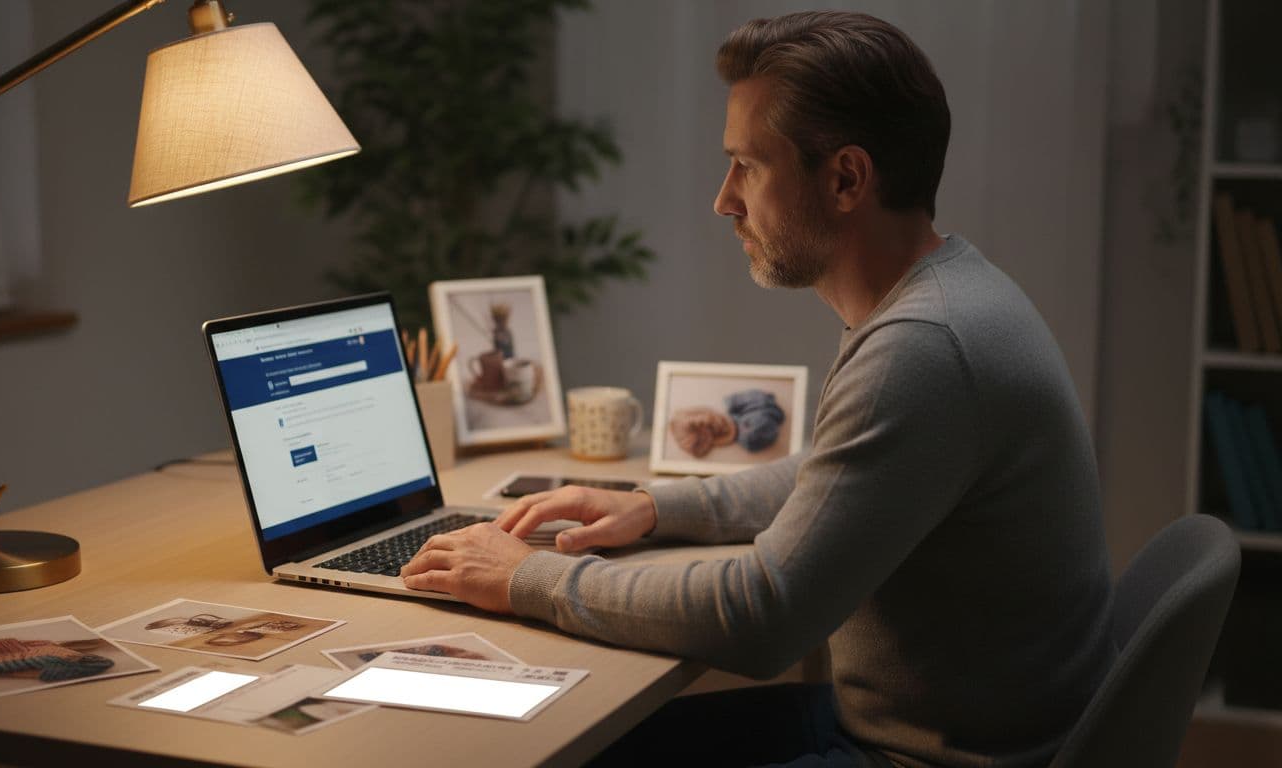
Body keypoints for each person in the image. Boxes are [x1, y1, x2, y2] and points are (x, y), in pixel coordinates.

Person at [401, 10, 1114, 767]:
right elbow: (830, 475)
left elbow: (761, 618)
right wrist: (651, 508)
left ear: (845, 178)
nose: (725, 199)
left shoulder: (923, 345)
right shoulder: (946, 294)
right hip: (920, 730)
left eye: (748, 165)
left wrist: (528, 577)